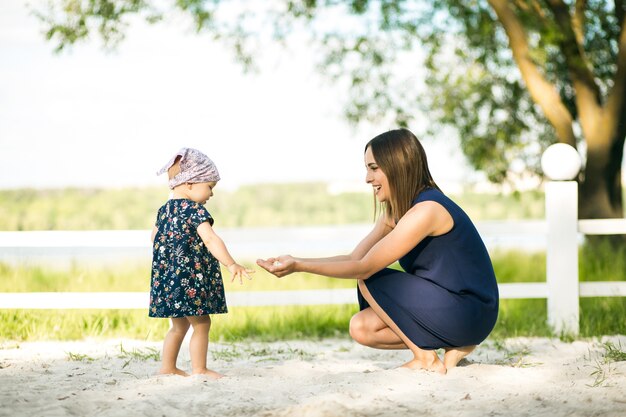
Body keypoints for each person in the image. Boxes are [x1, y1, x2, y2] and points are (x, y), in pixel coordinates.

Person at [257, 128, 498, 374]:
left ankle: (425, 358)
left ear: (397, 166)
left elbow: (364, 267)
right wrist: (297, 260)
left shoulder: (427, 210)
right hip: (448, 309)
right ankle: (455, 345)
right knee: (361, 327)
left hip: (471, 311)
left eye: (373, 168)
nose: (367, 178)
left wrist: (299, 267)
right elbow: (354, 258)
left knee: (368, 277)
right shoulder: (395, 212)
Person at [149, 147, 254, 378]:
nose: (211, 194)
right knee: (202, 323)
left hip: (168, 281)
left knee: (178, 326)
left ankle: (167, 367)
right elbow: (210, 239)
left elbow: (154, 239)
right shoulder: (193, 210)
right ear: (189, 183)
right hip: (189, 281)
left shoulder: (163, 211)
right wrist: (231, 264)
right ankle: (200, 369)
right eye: (209, 187)